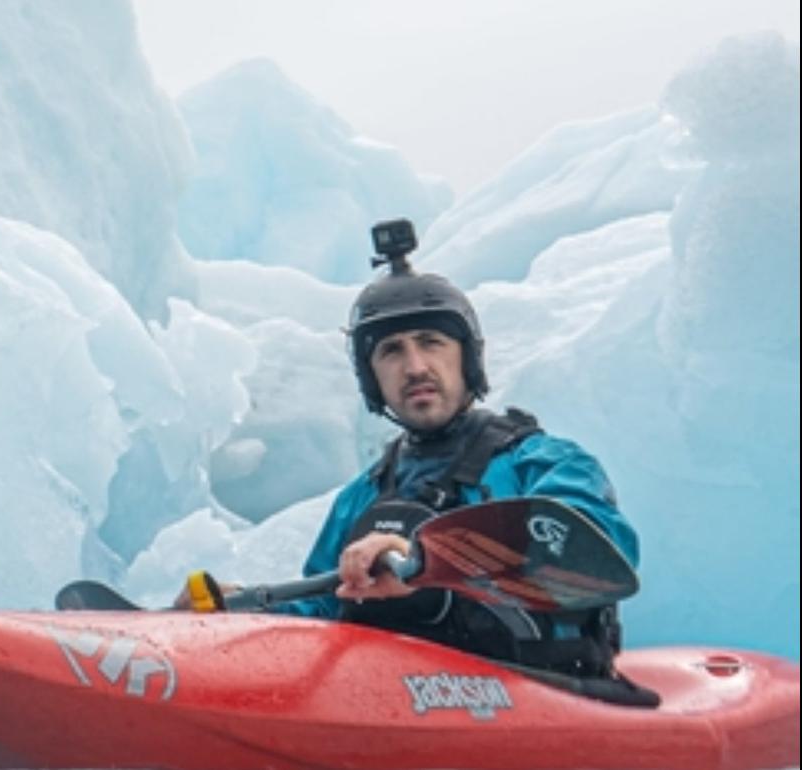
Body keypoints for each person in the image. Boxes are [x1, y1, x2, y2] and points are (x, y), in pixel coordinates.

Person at [181, 220, 640, 681]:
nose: (415, 366)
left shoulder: (543, 462)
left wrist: (423, 561)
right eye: (392, 352)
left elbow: (598, 552)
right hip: (398, 704)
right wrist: (238, 614)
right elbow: (322, 612)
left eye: (431, 343)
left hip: (541, 694)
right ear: (373, 378)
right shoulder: (362, 497)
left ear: (466, 358)